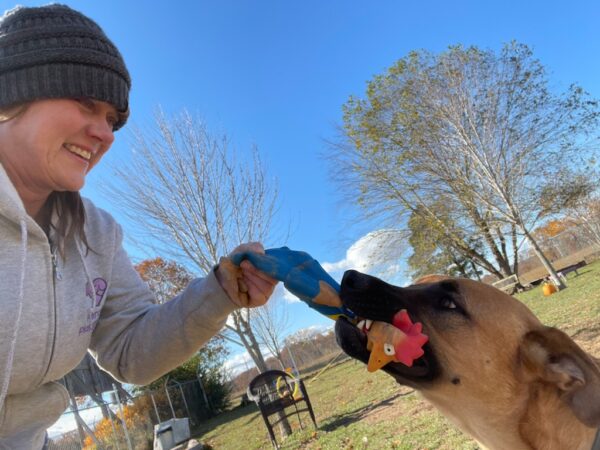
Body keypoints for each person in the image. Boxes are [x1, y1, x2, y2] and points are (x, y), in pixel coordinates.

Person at [0, 4, 277, 448]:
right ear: (12, 93)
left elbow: (130, 351)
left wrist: (220, 293)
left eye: (112, 120)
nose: (107, 134)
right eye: (86, 103)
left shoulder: (96, 233)